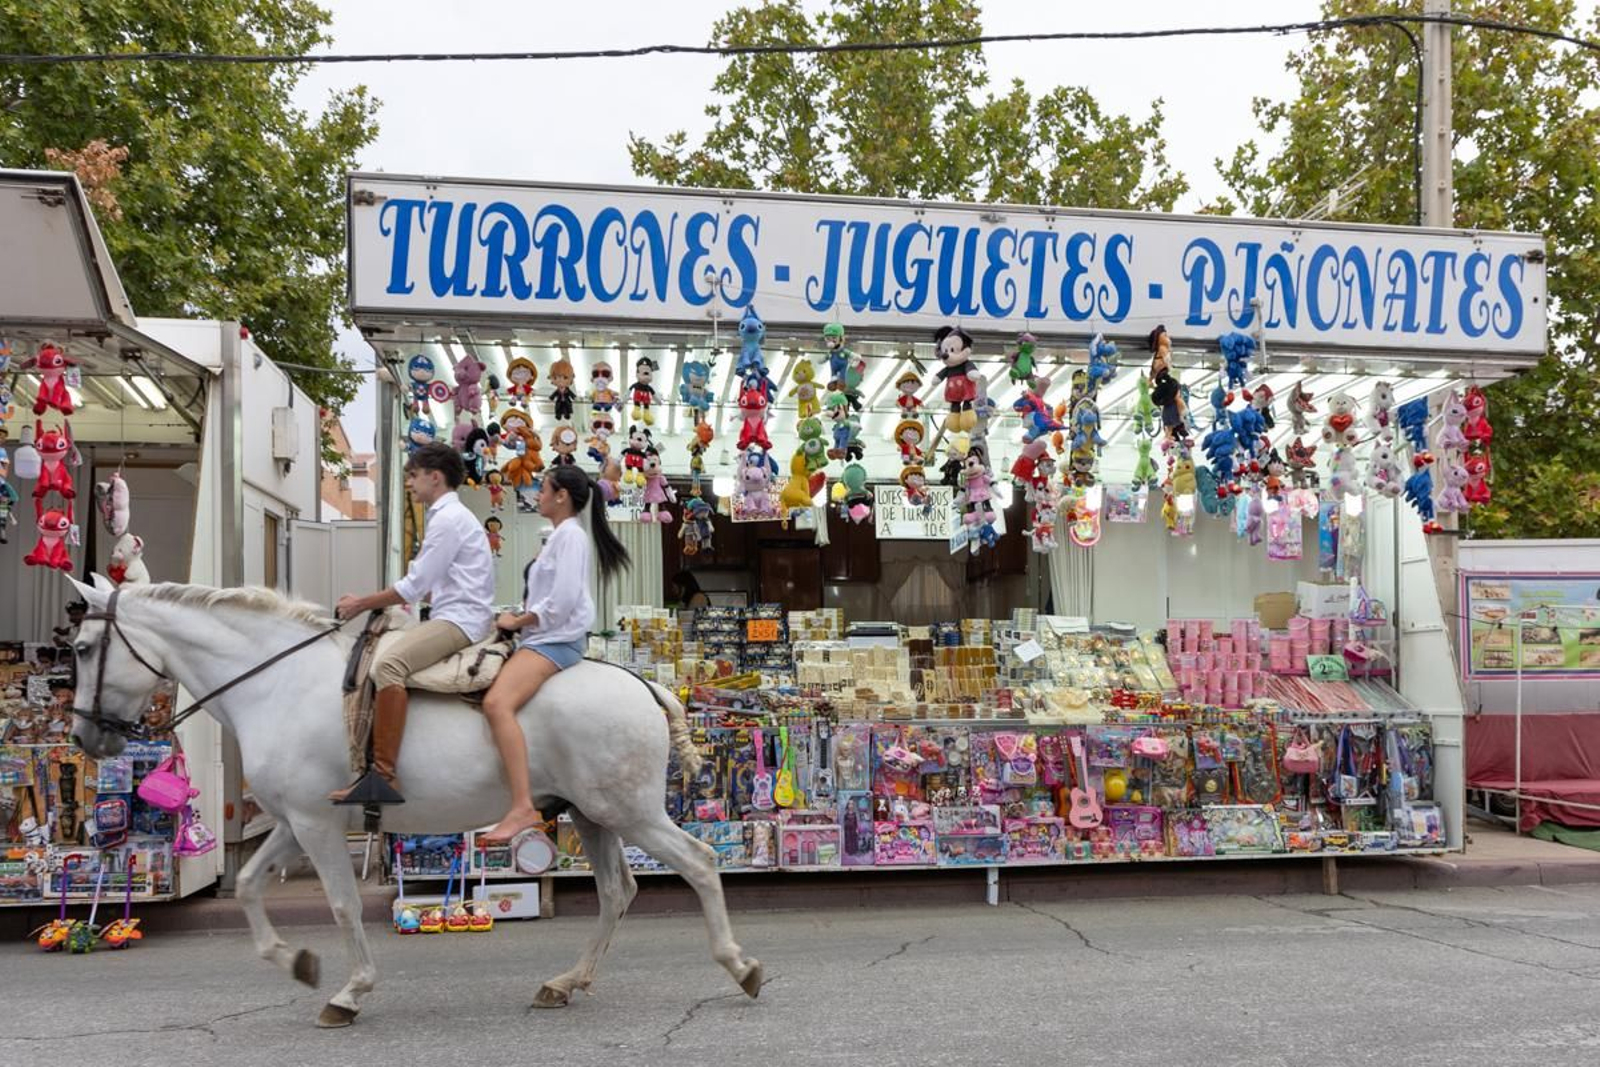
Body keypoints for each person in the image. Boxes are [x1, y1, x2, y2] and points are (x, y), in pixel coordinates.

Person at [328, 442, 495, 804]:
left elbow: (413, 586)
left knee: (389, 665)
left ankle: (383, 775)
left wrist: (360, 603)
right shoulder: (450, 517)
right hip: (456, 614)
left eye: (415, 476)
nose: (410, 484)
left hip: (459, 622)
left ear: (435, 478)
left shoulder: (447, 520)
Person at [479, 463, 632, 842]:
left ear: (561, 496)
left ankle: (521, 807)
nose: (538, 495)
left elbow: (562, 602)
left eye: (543, 489)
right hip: (543, 637)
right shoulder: (561, 536)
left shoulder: (570, 538)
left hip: (554, 641)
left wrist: (520, 621)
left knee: (497, 704)